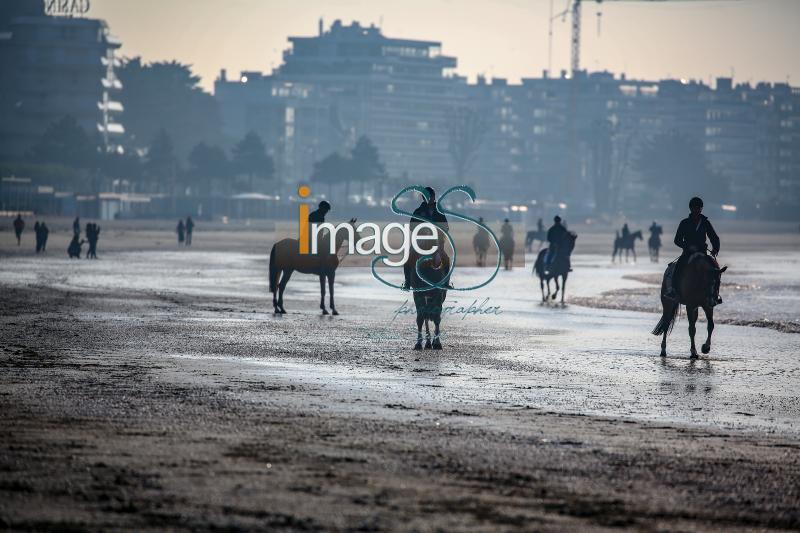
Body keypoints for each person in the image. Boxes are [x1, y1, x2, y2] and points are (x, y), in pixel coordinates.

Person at [665, 196, 721, 302]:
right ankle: (673, 291)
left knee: (716, 269)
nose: (697, 210)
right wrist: (688, 246)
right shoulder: (684, 223)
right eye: (695, 208)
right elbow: (677, 240)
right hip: (688, 253)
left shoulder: (705, 222)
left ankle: (715, 295)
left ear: (701, 209)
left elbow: (714, 237)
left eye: (699, 208)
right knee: (678, 267)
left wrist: (715, 249)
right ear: (691, 209)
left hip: (702, 252)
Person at [404, 187, 449, 289]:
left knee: (445, 258)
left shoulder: (439, 211)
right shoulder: (418, 211)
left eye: (431, 196)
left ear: (434, 197)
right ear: (423, 197)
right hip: (421, 240)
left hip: (436, 241)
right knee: (409, 257)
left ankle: (446, 282)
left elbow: (446, 227)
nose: (429, 198)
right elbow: (412, 226)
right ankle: (407, 281)